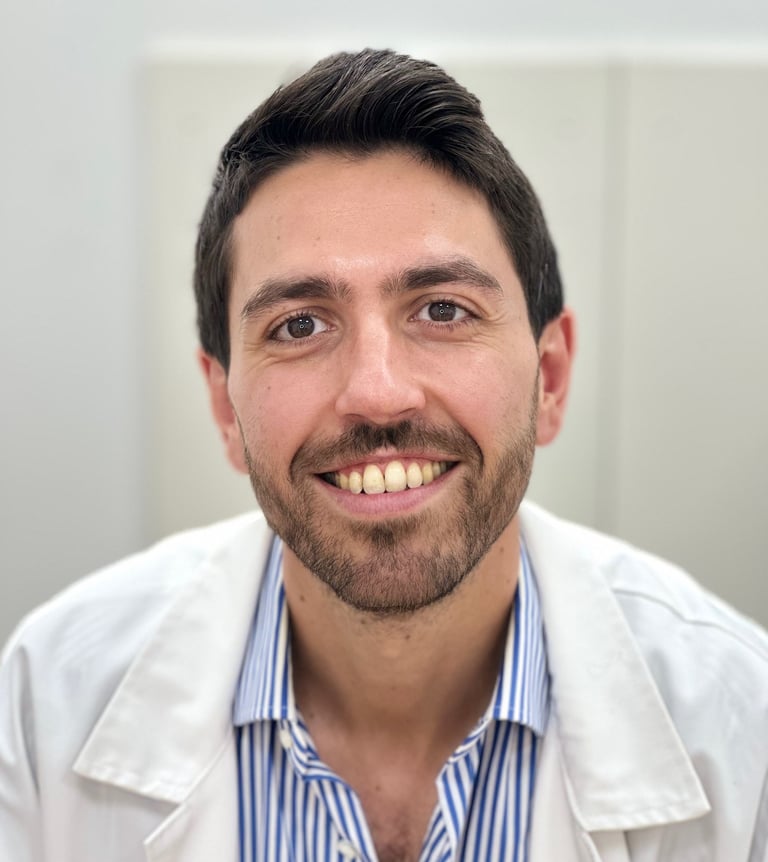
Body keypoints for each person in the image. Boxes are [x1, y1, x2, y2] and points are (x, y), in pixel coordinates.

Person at [1, 48, 767, 862]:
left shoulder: (740, 723)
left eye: (443, 310)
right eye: (299, 325)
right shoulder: (49, 698)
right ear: (225, 406)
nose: (377, 392)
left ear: (549, 377)